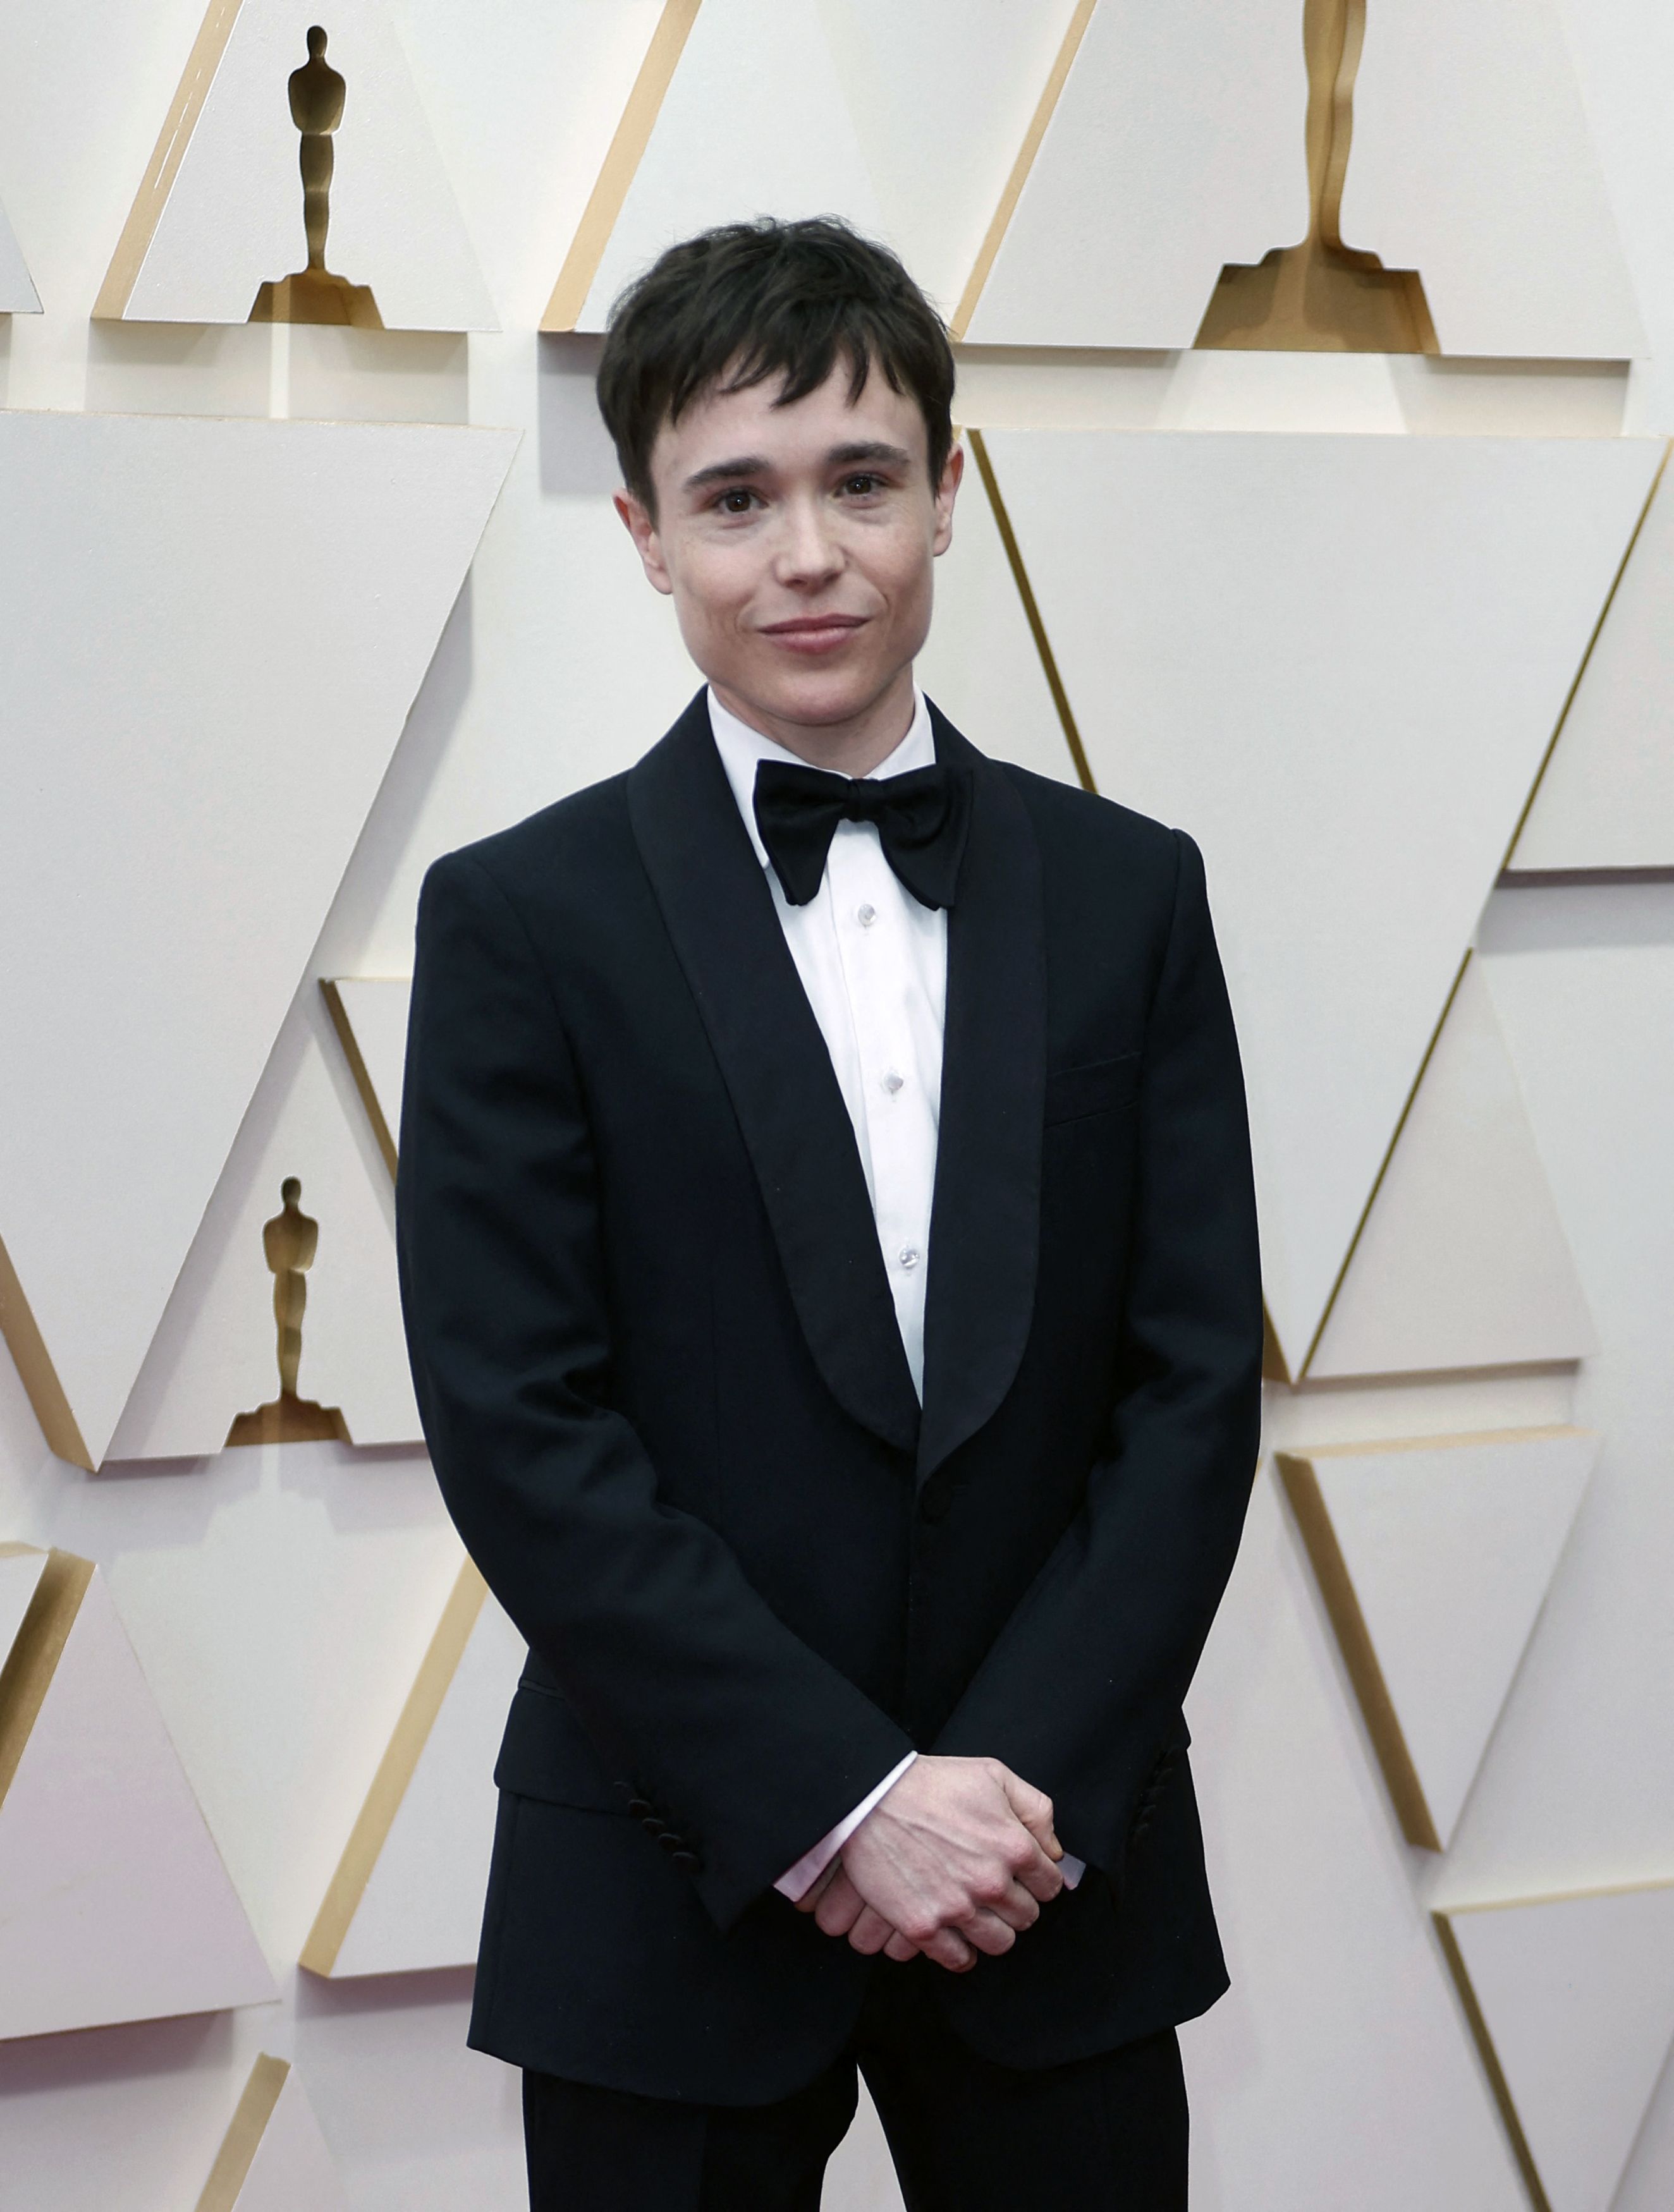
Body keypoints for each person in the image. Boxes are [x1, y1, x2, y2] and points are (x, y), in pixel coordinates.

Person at [396, 216, 1263, 2211]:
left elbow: (1193, 1381)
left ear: (950, 493)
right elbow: (525, 1424)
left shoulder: (1134, 895)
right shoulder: (523, 922)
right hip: (668, 1880)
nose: (807, 552)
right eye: (736, 496)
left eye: (862, 481)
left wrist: (1002, 1798)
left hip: (1054, 1879)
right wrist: (845, 1799)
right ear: (641, 529)